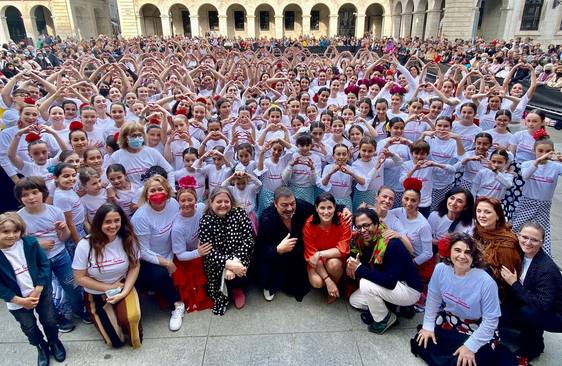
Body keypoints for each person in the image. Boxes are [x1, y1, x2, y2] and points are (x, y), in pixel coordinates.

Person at [411, 233, 516, 365]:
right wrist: (427, 327)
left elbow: (491, 321)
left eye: (468, 252)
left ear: (474, 256)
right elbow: (433, 300)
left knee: (465, 360)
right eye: (457, 250)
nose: (462, 256)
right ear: (449, 252)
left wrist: (470, 347)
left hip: (477, 326)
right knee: (422, 341)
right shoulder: (440, 269)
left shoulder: (486, 283)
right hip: (449, 320)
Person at [0, 212, 66, 366]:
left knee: (49, 319)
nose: (12, 236)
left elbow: (44, 265)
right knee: (28, 326)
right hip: (16, 300)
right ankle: (40, 346)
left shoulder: (29, 243)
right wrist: (18, 300)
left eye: (15, 231)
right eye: (5, 232)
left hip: (40, 292)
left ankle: (54, 341)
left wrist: (38, 289)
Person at [72, 203, 142, 349]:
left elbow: (135, 267)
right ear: (99, 223)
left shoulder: (128, 238)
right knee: (115, 342)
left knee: (132, 322)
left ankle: (122, 313)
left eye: (117, 220)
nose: (113, 225)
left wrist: (124, 292)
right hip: (96, 292)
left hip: (122, 284)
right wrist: (108, 288)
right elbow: (79, 278)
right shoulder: (85, 245)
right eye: (107, 222)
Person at [347, 207, 422, 334]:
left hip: (407, 288)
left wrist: (359, 268)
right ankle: (394, 307)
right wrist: (353, 264)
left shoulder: (391, 243)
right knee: (355, 301)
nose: (363, 230)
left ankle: (384, 319)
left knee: (365, 284)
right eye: (359, 227)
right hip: (391, 285)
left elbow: (389, 281)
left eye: (366, 225)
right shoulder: (365, 241)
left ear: (376, 223)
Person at [500, 222, 562, 362]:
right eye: (525, 237)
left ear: (542, 243)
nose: (528, 242)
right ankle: (519, 329)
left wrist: (514, 284)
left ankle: (533, 347)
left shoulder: (546, 269)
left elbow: (543, 304)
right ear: (518, 236)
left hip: (556, 313)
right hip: (533, 301)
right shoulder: (520, 253)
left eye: (534, 240)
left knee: (528, 313)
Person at [130, 175, 185, 331]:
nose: (157, 193)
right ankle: (177, 305)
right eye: (152, 190)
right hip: (151, 258)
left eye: (160, 189)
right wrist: (166, 263)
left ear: (167, 191)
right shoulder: (141, 217)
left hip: (172, 251)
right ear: (146, 195)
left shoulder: (174, 204)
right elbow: (142, 250)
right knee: (159, 275)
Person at [199, 187, 255, 315]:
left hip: (239, 255)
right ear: (211, 202)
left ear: (231, 201)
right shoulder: (206, 220)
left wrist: (234, 263)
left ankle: (237, 289)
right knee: (217, 280)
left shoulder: (240, 213)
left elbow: (248, 240)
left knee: (240, 268)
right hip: (217, 260)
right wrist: (227, 264)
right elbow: (208, 251)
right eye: (219, 202)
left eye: (226, 201)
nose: (223, 205)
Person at [255, 187, 313, 302]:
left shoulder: (301, 205)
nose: (290, 208)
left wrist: (342, 209)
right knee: (265, 275)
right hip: (275, 256)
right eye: (284, 205)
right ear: (275, 204)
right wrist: (278, 249)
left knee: (298, 286)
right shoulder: (267, 218)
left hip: (297, 251)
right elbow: (260, 249)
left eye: (292, 203)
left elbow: (320, 210)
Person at [303, 192, 351, 303]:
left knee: (334, 265)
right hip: (315, 261)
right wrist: (327, 280)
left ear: (335, 207)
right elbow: (311, 255)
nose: (326, 212)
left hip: (334, 258)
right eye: (322, 208)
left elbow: (342, 250)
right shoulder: (309, 224)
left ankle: (336, 284)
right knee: (317, 283)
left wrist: (320, 254)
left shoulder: (342, 221)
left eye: (330, 207)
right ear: (316, 208)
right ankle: (331, 284)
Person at [472, 197, 522, 301]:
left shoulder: (506, 244)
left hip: (494, 291)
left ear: (498, 216)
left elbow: (505, 279)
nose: (481, 216)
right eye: (478, 211)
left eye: (487, 212)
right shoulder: (478, 230)